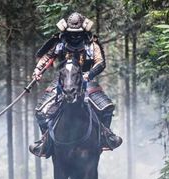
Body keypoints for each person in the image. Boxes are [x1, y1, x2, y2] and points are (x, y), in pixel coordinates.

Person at [29, 12, 122, 158]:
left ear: (83, 31)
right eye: (71, 33)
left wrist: (89, 74)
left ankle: (105, 135)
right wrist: (37, 70)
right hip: (62, 80)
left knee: (106, 108)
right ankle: (45, 140)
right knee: (40, 111)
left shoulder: (91, 43)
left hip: (86, 80)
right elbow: (47, 57)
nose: (74, 36)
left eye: (77, 33)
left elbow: (100, 62)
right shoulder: (59, 42)